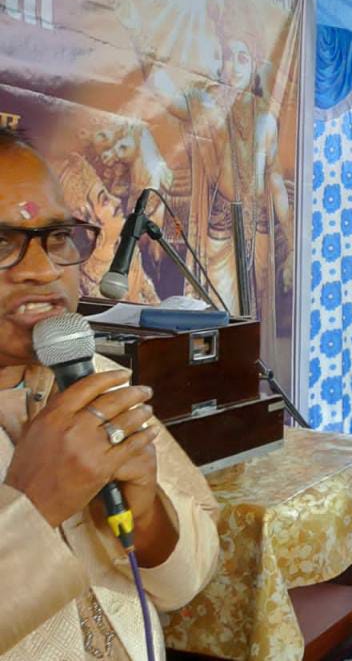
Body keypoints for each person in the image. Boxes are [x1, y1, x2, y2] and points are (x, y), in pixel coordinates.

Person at [0, 128, 220, 658]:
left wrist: (146, 517)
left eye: (56, 238)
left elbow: (190, 576)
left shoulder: (85, 374)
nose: (44, 269)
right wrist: (31, 508)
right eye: (1, 245)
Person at [57, 154, 160, 304]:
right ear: (86, 220)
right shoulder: (78, 277)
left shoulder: (127, 250)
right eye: (104, 200)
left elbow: (153, 302)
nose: (117, 201)